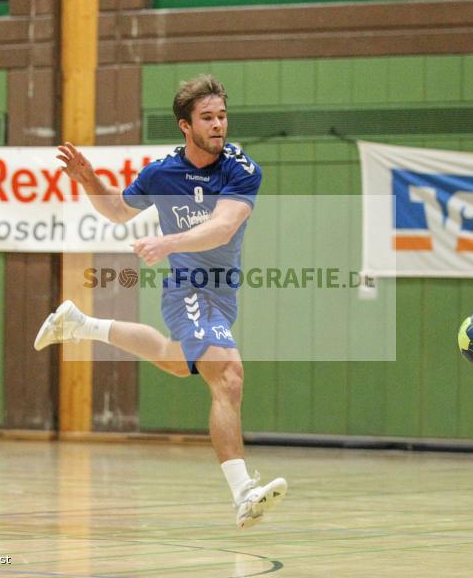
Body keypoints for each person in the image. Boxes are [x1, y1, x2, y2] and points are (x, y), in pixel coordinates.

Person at [34, 74, 287, 528]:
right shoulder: (162, 172)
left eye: (222, 116)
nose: (218, 125)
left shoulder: (241, 168)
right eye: (207, 118)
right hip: (188, 289)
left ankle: (81, 324)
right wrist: (88, 178)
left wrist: (166, 241)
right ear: (185, 126)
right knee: (228, 375)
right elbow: (117, 211)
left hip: (223, 292)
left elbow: (224, 227)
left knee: (175, 360)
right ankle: (243, 493)